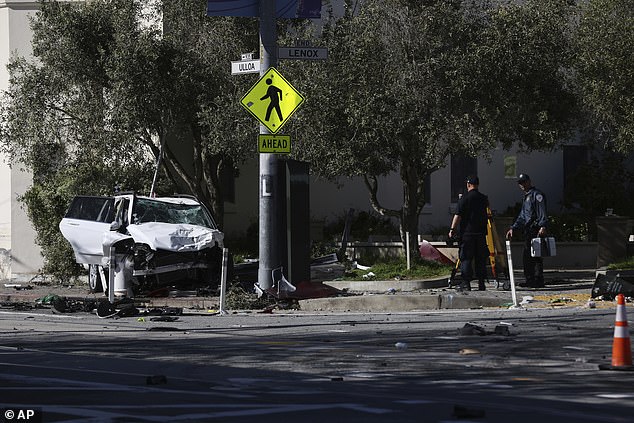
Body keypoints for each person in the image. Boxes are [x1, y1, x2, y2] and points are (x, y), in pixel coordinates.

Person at [505, 173, 548, 288]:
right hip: (528, 230)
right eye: (520, 183)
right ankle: (530, 279)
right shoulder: (526, 196)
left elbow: (541, 211)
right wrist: (513, 227)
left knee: (536, 255)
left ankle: (538, 279)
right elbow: (523, 216)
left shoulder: (536, 195)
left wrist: (542, 225)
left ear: (529, 181)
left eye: (524, 182)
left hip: (536, 229)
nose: (522, 185)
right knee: (528, 255)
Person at [448, 175, 490, 291]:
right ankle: (482, 283)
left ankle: (466, 283)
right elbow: (488, 213)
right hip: (481, 234)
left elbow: (458, 215)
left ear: (468, 184)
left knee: (466, 258)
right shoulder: (484, 198)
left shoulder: (464, 199)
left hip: (468, 234)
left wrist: (452, 230)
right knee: (480, 259)